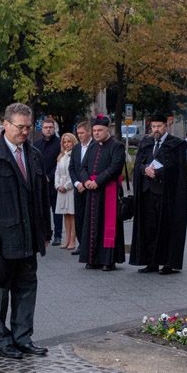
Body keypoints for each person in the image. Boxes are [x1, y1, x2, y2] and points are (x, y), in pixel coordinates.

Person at [0, 102, 50, 360]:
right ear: (5, 125)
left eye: (29, 127)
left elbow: (41, 197)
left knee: (26, 290)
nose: (25, 132)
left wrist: (45, 233)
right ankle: (2, 341)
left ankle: (23, 338)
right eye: (20, 127)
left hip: (29, 238)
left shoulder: (34, 154)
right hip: (2, 241)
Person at [129, 113, 187, 275]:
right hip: (147, 192)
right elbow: (138, 165)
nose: (156, 130)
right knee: (149, 228)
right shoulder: (146, 143)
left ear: (166, 126)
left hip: (166, 194)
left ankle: (168, 263)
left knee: (166, 228)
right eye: (153, 127)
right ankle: (151, 262)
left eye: (159, 126)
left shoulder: (176, 144)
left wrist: (160, 172)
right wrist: (144, 169)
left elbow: (179, 171)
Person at [78, 115, 125, 271]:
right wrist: (86, 181)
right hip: (92, 192)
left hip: (108, 191)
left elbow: (115, 168)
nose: (96, 133)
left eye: (100, 130)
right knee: (92, 225)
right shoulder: (92, 146)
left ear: (108, 130)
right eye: (95, 130)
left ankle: (108, 260)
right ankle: (92, 259)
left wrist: (97, 181)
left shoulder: (116, 146)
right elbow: (82, 167)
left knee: (107, 225)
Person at [32, 116, 62, 245]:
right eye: (45, 127)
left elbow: (60, 162)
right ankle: (43, 234)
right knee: (42, 210)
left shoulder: (59, 143)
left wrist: (50, 176)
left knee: (57, 211)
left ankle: (58, 235)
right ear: (41, 129)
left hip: (54, 181)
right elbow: (33, 161)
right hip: (39, 182)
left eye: (50, 127)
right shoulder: (36, 144)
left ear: (54, 128)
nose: (48, 130)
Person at [69, 121, 93, 255]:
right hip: (78, 188)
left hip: (90, 187)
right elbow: (71, 168)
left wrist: (85, 184)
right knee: (79, 216)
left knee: (89, 216)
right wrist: (77, 183)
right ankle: (81, 244)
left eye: (82, 133)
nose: (80, 136)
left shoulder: (95, 146)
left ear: (89, 132)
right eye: (78, 133)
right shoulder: (77, 148)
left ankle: (90, 244)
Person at [55, 133, 77, 249]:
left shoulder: (75, 155)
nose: (67, 144)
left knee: (72, 214)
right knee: (65, 214)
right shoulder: (61, 156)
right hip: (61, 188)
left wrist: (66, 186)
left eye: (69, 141)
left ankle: (73, 240)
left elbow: (74, 173)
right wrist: (57, 185)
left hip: (70, 188)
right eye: (64, 142)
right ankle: (67, 239)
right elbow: (57, 173)